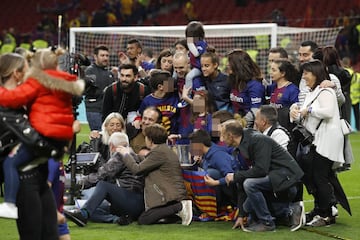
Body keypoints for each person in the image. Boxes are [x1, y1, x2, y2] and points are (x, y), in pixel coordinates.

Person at [0, 49, 84, 220]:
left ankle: (9, 203)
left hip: (42, 138)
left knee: (11, 162)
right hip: (59, 140)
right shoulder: (64, 83)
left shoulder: (36, 83)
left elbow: (13, 98)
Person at [290, 60, 348, 227]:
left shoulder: (325, 91)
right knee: (314, 177)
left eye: (306, 73)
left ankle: (327, 213)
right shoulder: (313, 91)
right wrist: (296, 110)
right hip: (318, 140)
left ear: (315, 73)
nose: (304, 76)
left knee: (320, 177)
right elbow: (303, 111)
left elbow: (329, 111)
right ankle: (321, 210)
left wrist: (309, 110)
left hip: (327, 140)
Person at [223, 120, 304, 232]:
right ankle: (289, 212)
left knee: (250, 184)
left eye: (223, 135)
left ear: (230, 136)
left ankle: (268, 223)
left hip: (285, 178)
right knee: (248, 207)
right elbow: (242, 179)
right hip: (273, 180)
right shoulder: (240, 148)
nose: (221, 139)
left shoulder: (257, 140)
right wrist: (241, 215)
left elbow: (261, 170)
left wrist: (235, 176)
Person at [116, 124, 193, 225]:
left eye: (146, 137)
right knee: (151, 217)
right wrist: (132, 154)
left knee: (144, 219)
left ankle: (180, 207)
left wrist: (125, 154)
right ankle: (177, 212)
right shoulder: (162, 150)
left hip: (170, 196)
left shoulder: (159, 152)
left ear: (150, 140)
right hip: (172, 195)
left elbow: (137, 169)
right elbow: (147, 162)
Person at [64, 132, 145, 227]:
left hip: (131, 200)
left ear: (111, 146)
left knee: (103, 185)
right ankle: (118, 219)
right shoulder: (132, 154)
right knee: (92, 208)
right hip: (134, 203)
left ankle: (83, 215)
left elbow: (101, 174)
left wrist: (79, 183)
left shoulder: (121, 155)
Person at [189, 129, 238, 212]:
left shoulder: (218, 155)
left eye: (192, 145)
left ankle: (219, 206)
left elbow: (231, 176)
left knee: (210, 173)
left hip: (234, 189)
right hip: (225, 187)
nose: (191, 148)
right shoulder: (206, 155)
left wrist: (216, 182)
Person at [227, 49, 265, 128]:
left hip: (249, 126)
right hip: (235, 121)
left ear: (238, 65)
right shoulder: (233, 81)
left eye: (230, 62)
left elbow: (256, 110)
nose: (227, 65)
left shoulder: (255, 85)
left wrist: (241, 124)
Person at [84, 44, 115, 130]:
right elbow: (86, 90)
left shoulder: (110, 73)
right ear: (95, 57)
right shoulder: (89, 71)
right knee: (98, 137)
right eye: (102, 55)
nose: (105, 58)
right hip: (94, 110)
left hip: (107, 110)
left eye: (107, 56)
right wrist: (104, 92)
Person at [137, 70, 179, 134]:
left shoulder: (174, 96)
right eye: (170, 83)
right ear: (160, 87)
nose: (173, 85)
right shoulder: (147, 101)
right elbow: (140, 117)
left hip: (172, 135)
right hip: (154, 135)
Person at [178, 21, 208, 108]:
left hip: (199, 68)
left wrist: (189, 43)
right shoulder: (194, 43)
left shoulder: (202, 43)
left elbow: (196, 54)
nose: (188, 38)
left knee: (189, 77)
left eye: (190, 36)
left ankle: (187, 97)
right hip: (193, 66)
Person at [266, 59, 300, 131]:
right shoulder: (272, 87)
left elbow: (296, 109)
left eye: (274, 70)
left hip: (285, 129)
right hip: (272, 127)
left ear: (283, 73)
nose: (270, 73)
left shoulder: (292, 90)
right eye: (270, 70)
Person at [48, 159, 71, 240]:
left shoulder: (59, 162)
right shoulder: (52, 162)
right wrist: (55, 212)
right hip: (48, 213)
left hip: (58, 211)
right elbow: (45, 188)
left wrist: (61, 198)